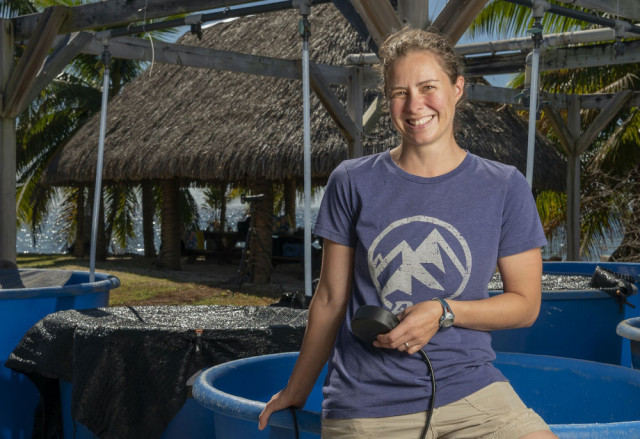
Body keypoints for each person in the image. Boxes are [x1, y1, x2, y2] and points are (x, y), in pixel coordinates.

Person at [259, 27, 559, 439]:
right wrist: (296, 390)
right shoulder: (351, 181)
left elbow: (525, 306)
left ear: (457, 89)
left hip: (473, 394)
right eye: (400, 92)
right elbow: (330, 299)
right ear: (388, 101)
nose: (415, 104)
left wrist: (443, 311)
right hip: (369, 405)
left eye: (428, 87)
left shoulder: (505, 186)